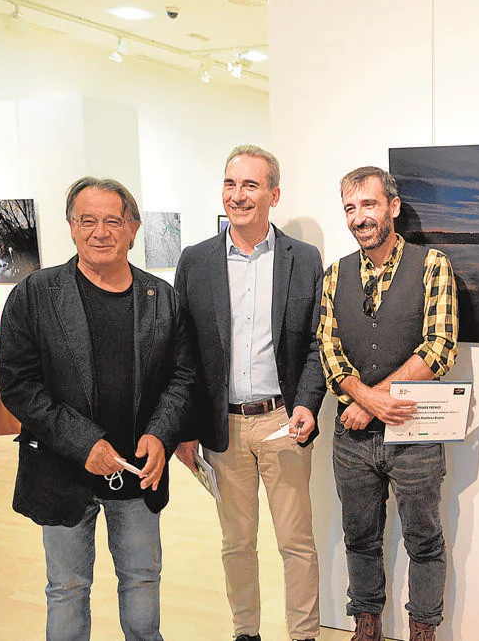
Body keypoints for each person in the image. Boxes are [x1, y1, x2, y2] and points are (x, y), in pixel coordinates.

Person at [0, 177, 194, 641]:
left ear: (133, 229)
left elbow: (183, 378)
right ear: (71, 226)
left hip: (137, 470)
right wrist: (84, 442)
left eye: (112, 221)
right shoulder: (36, 294)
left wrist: (161, 434)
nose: (100, 232)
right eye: (88, 221)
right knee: (66, 590)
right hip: (62, 471)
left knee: (143, 586)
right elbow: (18, 385)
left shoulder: (161, 298)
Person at [173, 145, 326, 641]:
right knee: (236, 543)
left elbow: (314, 345)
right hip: (223, 427)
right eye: (230, 184)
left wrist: (306, 402)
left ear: (273, 195)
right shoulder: (195, 261)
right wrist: (186, 428)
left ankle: (303, 634)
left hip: (282, 420)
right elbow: (184, 354)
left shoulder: (303, 260)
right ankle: (246, 632)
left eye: (250, 185)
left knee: (296, 543)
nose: (237, 196)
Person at [316, 166, 458, 641]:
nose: (360, 218)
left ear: (392, 208)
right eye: (351, 209)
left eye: (369, 205)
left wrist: (375, 401)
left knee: (424, 541)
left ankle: (423, 631)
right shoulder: (335, 274)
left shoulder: (432, 264)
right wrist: (367, 399)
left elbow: (439, 347)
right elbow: (329, 351)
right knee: (359, 538)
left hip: (415, 434)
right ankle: (367, 627)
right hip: (352, 440)